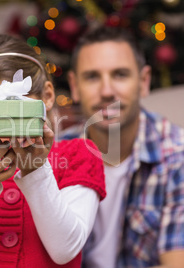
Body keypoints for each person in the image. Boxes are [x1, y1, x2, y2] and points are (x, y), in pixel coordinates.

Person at [0, 33, 107, 267]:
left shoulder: (79, 155)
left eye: (13, 110)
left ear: (46, 96)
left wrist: (35, 171)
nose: (2, 129)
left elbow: (65, 249)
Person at [66, 26, 184, 267]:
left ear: (144, 81)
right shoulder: (52, 155)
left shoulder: (178, 156)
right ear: (74, 86)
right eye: (92, 77)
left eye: (120, 74)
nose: (107, 91)